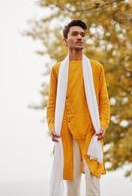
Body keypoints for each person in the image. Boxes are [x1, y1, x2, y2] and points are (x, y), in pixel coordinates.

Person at [46, 20, 110, 196]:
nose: (80, 37)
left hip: (91, 133)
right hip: (66, 133)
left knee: (93, 185)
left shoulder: (96, 68)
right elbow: (52, 104)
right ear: (65, 40)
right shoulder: (57, 70)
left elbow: (104, 101)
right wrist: (52, 127)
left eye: (82, 35)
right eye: (75, 34)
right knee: (72, 188)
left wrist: (103, 125)